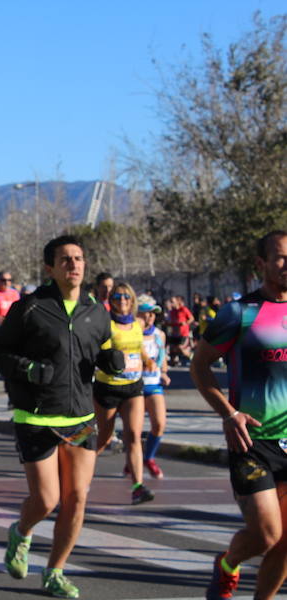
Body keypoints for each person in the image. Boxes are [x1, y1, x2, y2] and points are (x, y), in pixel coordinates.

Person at [0, 235, 121, 599]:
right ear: (49, 268)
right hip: (37, 417)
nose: (74, 265)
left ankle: (55, 571)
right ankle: (22, 531)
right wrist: (29, 368)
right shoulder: (29, 308)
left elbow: (104, 349)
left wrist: (110, 363)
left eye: (79, 258)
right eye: (65, 260)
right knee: (46, 499)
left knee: (77, 497)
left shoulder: (96, 311)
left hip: (80, 418)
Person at [191, 230, 287, 600]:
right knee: (266, 535)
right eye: (279, 257)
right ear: (260, 264)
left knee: (285, 545)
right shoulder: (239, 312)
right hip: (252, 442)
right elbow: (200, 367)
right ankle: (228, 564)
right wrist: (229, 413)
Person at [93, 282, 156, 505]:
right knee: (103, 438)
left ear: (132, 300)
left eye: (126, 297)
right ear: (112, 300)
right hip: (108, 386)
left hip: (133, 387)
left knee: (133, 436)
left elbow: (138, 347)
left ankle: (138, 486)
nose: (122, 301)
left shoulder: (137, 324)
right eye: (118, 297)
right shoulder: (106, 324)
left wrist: (147, 360)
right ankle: (77, 477)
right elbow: (100, 350)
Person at [137, 294, 169, 479]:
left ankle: (148, 458)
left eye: (153, 313)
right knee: (134, 430)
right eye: (145, 313)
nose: (149, 317)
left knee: (159, 424)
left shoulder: (159, 335)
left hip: (153, 384)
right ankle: (132, 460)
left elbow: (162, 361)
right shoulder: (131, 333)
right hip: (135, 386)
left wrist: (164, 372)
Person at [167, 295, 195, 366]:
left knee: (180, 348)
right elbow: (170, 321)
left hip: (183, 333)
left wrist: (185, 323)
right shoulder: (172, 311)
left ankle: (192, 357)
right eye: (170, 302)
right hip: (174, 333)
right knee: (172, 349)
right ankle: (173, 362)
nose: (171, 303)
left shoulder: (183, 309)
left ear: (177, 302)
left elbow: (191, 318)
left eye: (172, 302)